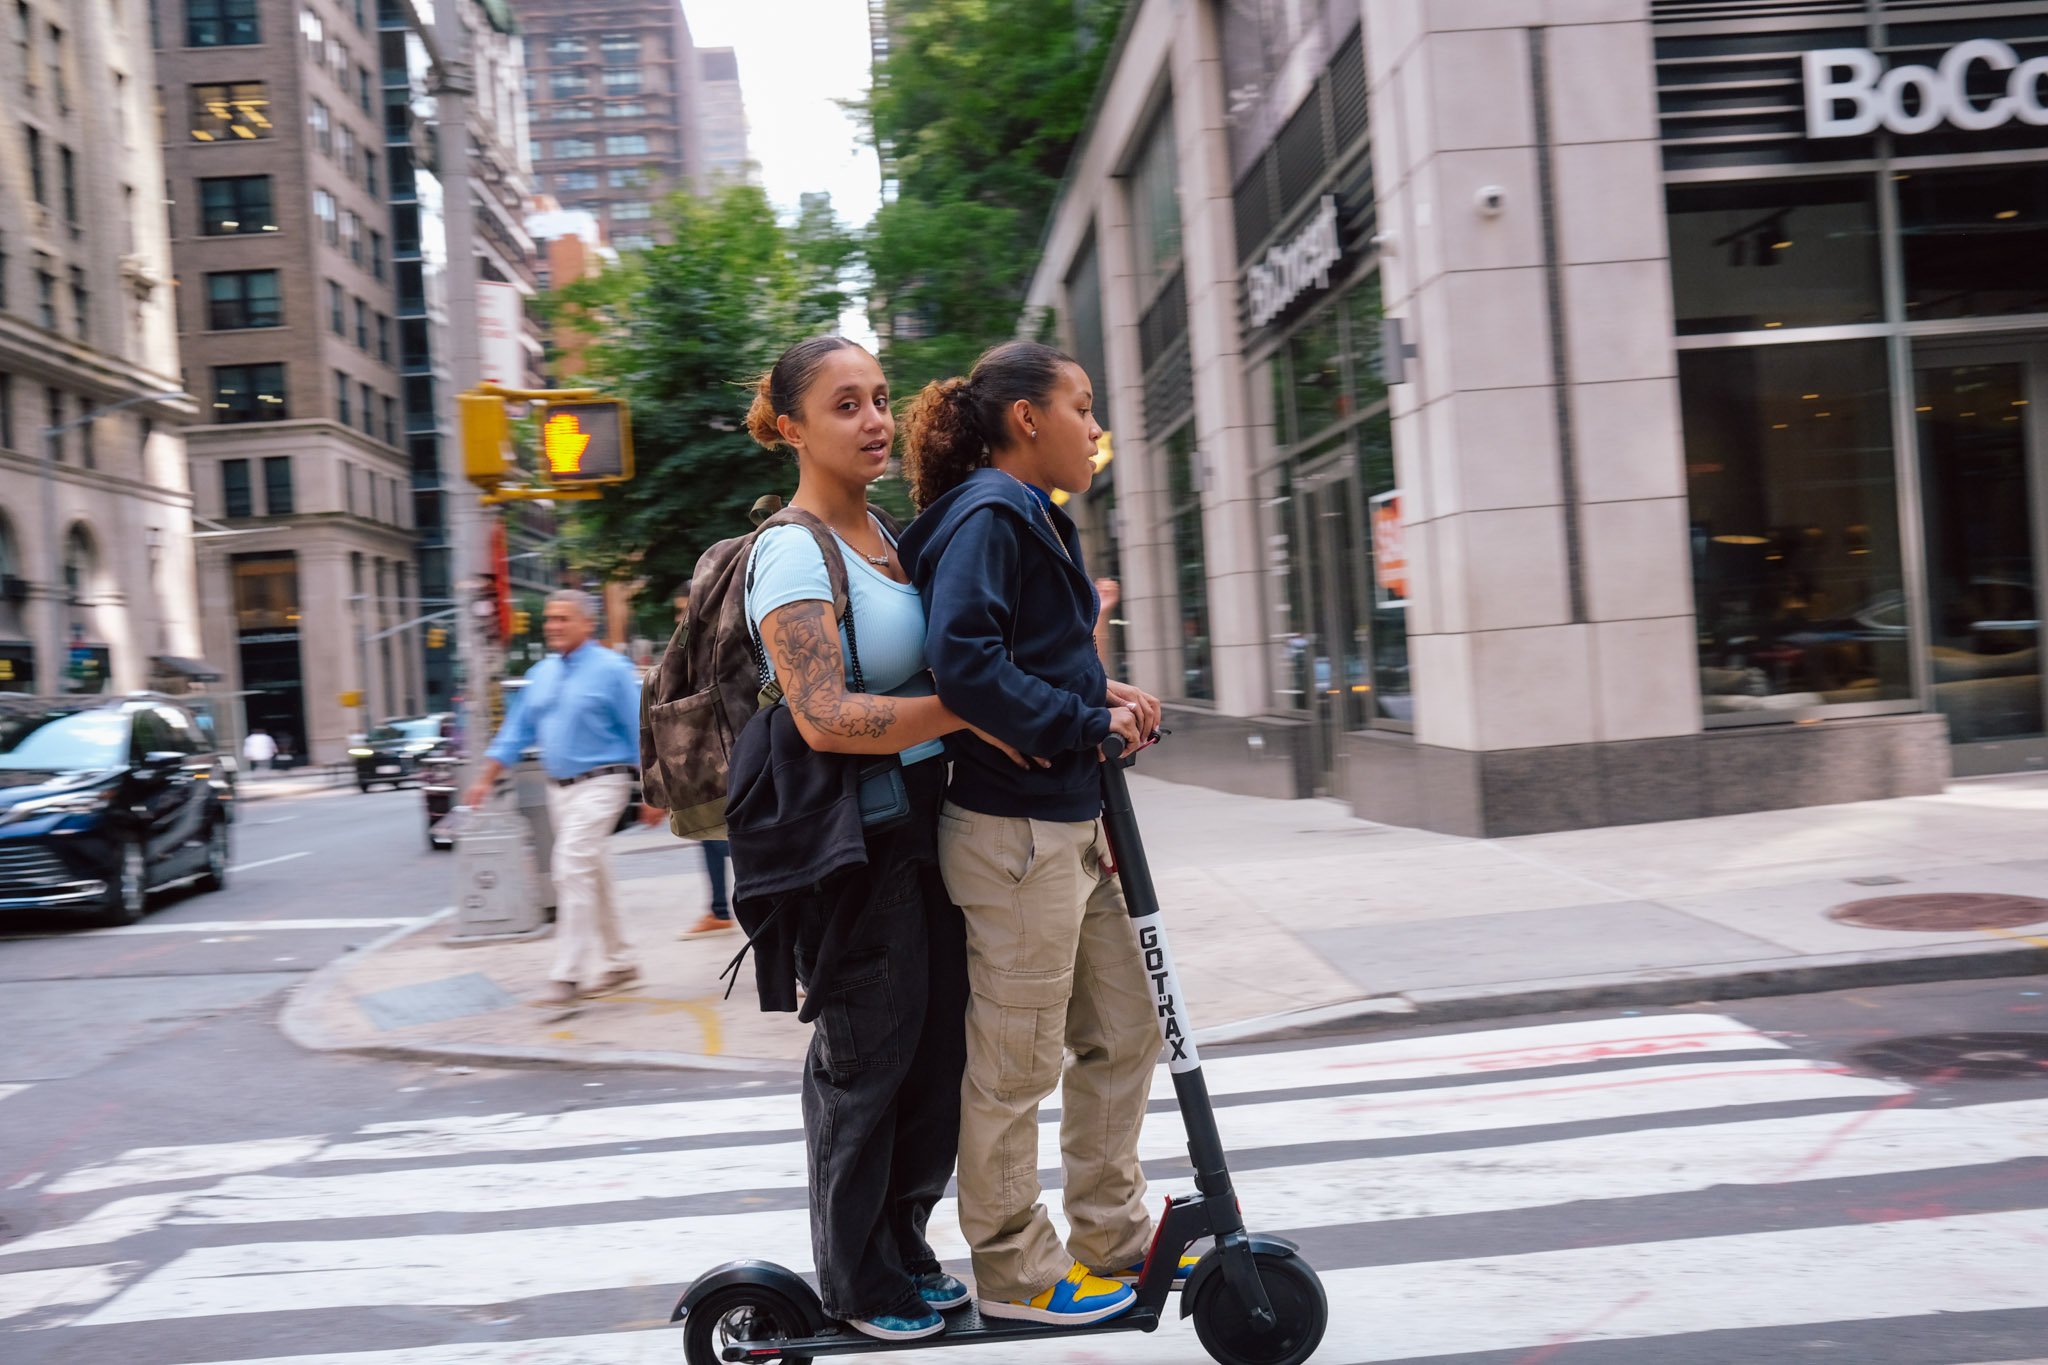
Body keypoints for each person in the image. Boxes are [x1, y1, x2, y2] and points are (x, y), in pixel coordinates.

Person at [737, 335, 1033, 1344]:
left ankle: (903, 1242)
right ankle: (855, 1278)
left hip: (922, 822)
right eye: (842, 405)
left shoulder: (885, 539)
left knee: (932, 1052)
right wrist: (960, 709)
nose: (872, 421)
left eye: (877, 399)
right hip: (851, 846)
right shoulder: (791, 550)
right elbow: (824, 715)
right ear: (789, 428)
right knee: (866, 1059)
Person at [897, 341, 1168, 1328]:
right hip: (1012, 834)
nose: (1093, 428)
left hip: (1067, 821)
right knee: (1016, 1061)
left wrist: (1101, 692)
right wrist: (1078, 721)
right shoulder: (989, 513)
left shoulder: (1027, 516)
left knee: (1126, 1024)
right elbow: (964, 665)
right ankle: (1012, 1269)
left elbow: (1032, 655)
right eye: (1080, 406)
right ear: (1025, 419)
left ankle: (1110, 1233)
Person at [462, 589, 657, 1007]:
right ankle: (621, 961)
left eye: (563, 618)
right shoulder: (541, 673)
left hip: (603, 783)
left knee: (569, 868)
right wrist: (484, 778)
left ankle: (566, 976)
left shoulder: (612, 670)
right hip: (558, 790)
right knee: (593, 873)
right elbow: (516, 731)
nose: (553, 625)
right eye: (550, 618)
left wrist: (657, 791)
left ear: (588, 624)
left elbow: (641, 731)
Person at [669, 581, 733, 937]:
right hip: (712, 760)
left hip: (736, 757)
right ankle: (720, 910)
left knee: (736, 840)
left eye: (684, 608)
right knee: (711, 835)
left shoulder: (726, 644)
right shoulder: (695, 650)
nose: (680, 617)